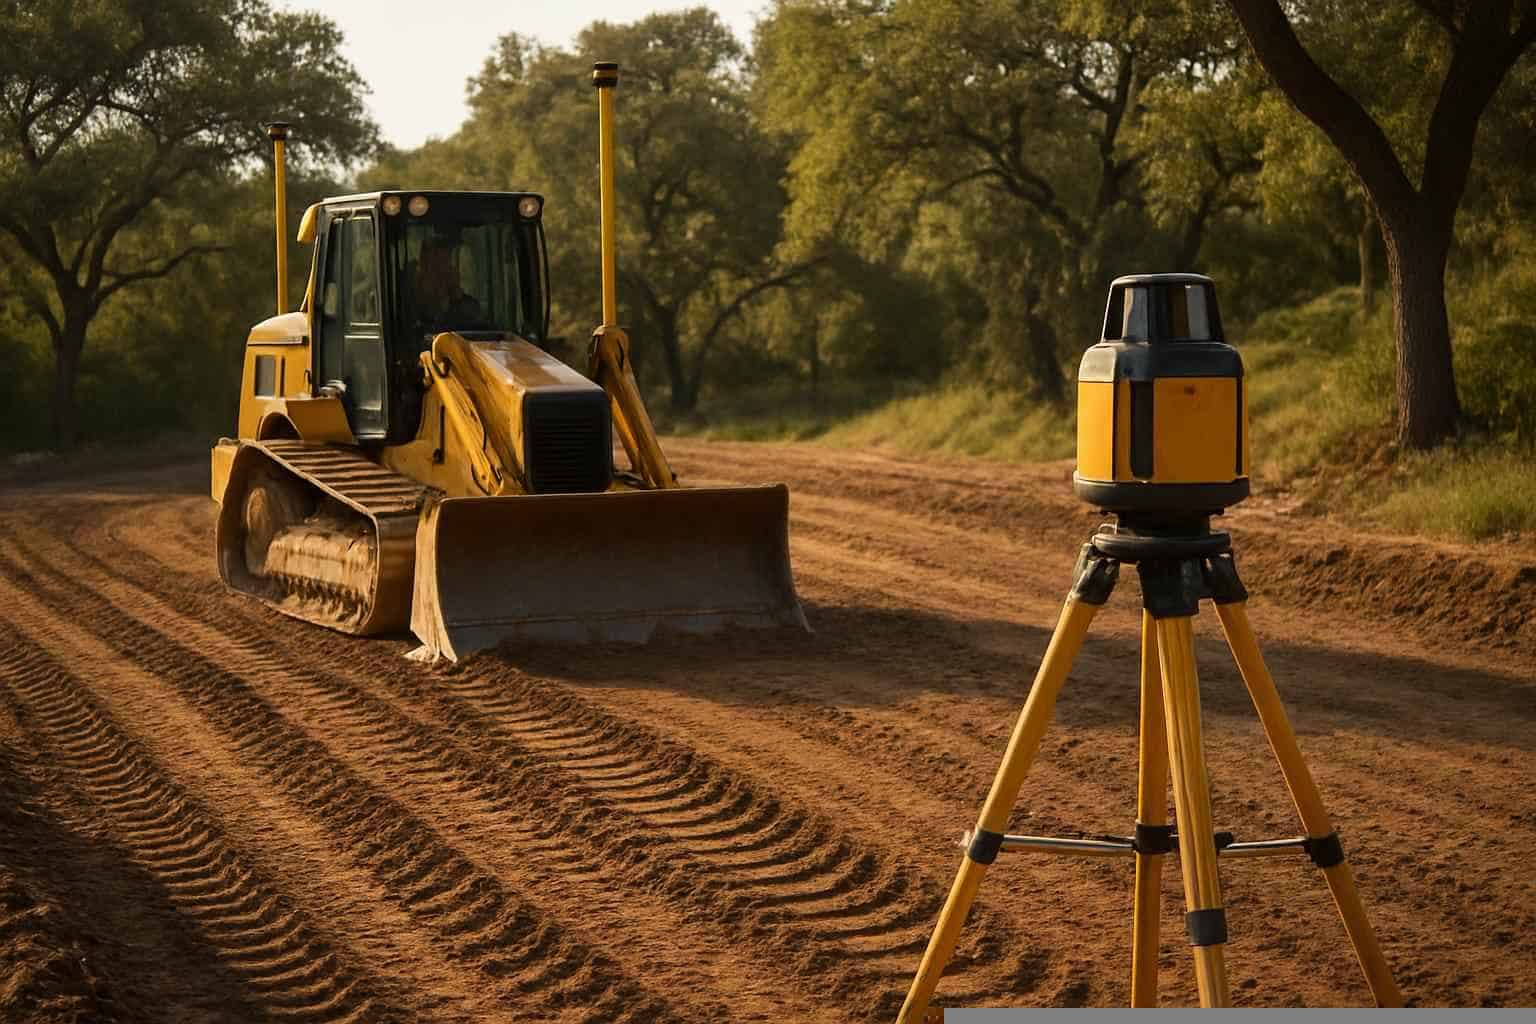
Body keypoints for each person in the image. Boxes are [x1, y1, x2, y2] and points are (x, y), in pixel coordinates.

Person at [412, 237, 481, 326]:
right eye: (435, 266)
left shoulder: (463, 304)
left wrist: (458, 299)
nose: (443, 271)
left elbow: (475, 322)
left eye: (445, 262)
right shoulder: (410, 305)